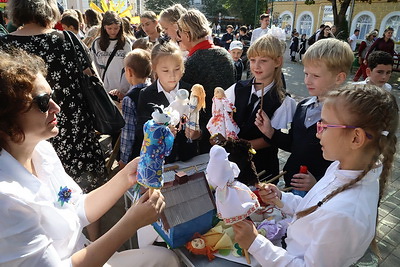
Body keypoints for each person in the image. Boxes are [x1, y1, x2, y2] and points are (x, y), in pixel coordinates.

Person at [0, 49, 180, 267]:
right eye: (42, 102)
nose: (56, 107)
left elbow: (77, 208)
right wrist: (131, 223)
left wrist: (126, 176)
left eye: (51, 97)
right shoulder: (7, 199)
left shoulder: (42, 151)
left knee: (167, 259)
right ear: (6, 117)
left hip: (81, 251)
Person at [233, 84, 399, 266]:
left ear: (356, 138)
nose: (318, 133)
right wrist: (281, 198)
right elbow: (314, 209)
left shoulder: (344, 214)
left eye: (325, 126)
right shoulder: (341, 167)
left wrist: (255, 243)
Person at [0, 0, 107, 195]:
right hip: (74, 128)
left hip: (25, 133)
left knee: (36, 192)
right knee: (86, 187)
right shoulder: (68, 39)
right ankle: (93, 226)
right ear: (50, 10)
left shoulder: (4, 45)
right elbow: (92, 76)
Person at [255, 38, 353, 196]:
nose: (307, 81)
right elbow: (295, 145)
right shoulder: (303, 106)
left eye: (315, 76)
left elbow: (346, 165)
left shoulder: (345, 117)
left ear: (339, 78)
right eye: (306, 74)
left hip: (319, 192)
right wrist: (270, 132)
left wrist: (319, 182)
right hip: (291, 182)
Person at [225, 33, 296, 185]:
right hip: (232, 164)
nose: (256, 66)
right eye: (252, 60)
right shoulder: (237, 89)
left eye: (263, 61)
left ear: (277, 61)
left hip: (261, 169)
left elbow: (269, 140)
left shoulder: (283, 101)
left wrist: (237, 145)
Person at [178, 9, 235, 153]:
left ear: (188, 34)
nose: (179, 38)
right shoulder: (225, 55)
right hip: (226, 127)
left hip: (201, 133)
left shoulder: (191, 63)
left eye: (180, 33)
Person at [135, 38, 197, 162]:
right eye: (165, 70)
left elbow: (203, 122)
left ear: (183, 67)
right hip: (161, 160)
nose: (172, 75)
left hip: (189, 157)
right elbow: (142, 131)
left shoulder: (191, 91)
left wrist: (197, 133)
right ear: (154, 68)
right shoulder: (146, 95)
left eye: (177, 69)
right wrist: (160, 134)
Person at [119, 49, 152, 169]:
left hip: (137, 152)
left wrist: (123, 159)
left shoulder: (130, 98)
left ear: (129, 71)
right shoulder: (154, 90)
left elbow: (128, 132)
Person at [91, 11, 132, 94]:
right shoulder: (97, 43)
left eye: (116, 28)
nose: (113, 31)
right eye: (109, 28)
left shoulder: (126, 43)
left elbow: (129, 66)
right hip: (103, 88)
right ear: (104, 27)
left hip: (121, 89)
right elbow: (94, 66)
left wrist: (124, 89)